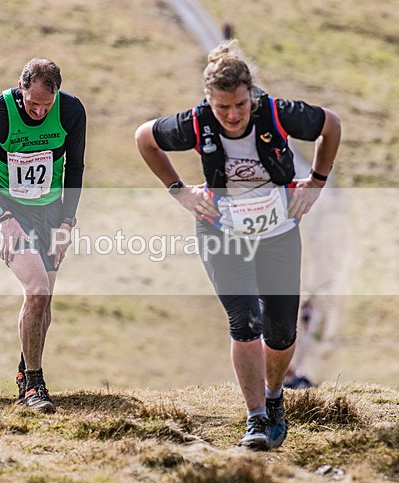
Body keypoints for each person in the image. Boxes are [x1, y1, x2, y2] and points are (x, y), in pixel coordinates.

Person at [135, 40, 341, 450]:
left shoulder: (276, 112)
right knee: (245, 320)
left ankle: (274, 396)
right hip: (221, 231)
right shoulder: (196, 122)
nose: (232, 116)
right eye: (222, 107)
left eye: (240, 106)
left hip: (277, 230)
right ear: (209, 100)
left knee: (280, 332)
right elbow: (145, 138)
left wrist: (316, 183)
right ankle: (256, 419)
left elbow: (330, 125)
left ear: (251, 95)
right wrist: (179, 190)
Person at [0, 58, 86, 413]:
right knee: (36, 290)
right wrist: (4, 216)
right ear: (21, 89)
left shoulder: (70, 112)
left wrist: (67, 222)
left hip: (51, 210)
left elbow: (75, 167)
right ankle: (34, 385)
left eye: (46, 105)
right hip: (8, 208)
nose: (38, 112)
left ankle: (24, 372)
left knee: (45, 298)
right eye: (32, 103)